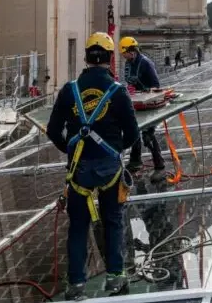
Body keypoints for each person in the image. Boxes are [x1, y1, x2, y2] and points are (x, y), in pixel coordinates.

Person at [46, 32, 139, 300]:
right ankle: (115, 278)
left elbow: (53, 130)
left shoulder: (69, 90)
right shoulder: (118, 92)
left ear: (86, 57)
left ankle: (76, 285)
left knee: (78, 226)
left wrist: (70, 149)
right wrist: (115, 148)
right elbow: (133, 134)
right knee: (112, 221)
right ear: (110, 59)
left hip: (79, 170)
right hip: (109, 168)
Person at [118, 36, 167, 182]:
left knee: (148, 135)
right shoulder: (128, 63)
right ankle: (135, 162)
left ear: (130, 51)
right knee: (133, 131)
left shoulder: (145, 63)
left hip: (149, 103)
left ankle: (160, 167)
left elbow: (156, 86)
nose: (123, 56)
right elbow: (128, 81)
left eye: (124, 53)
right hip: (136, 103)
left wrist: (146, 92)